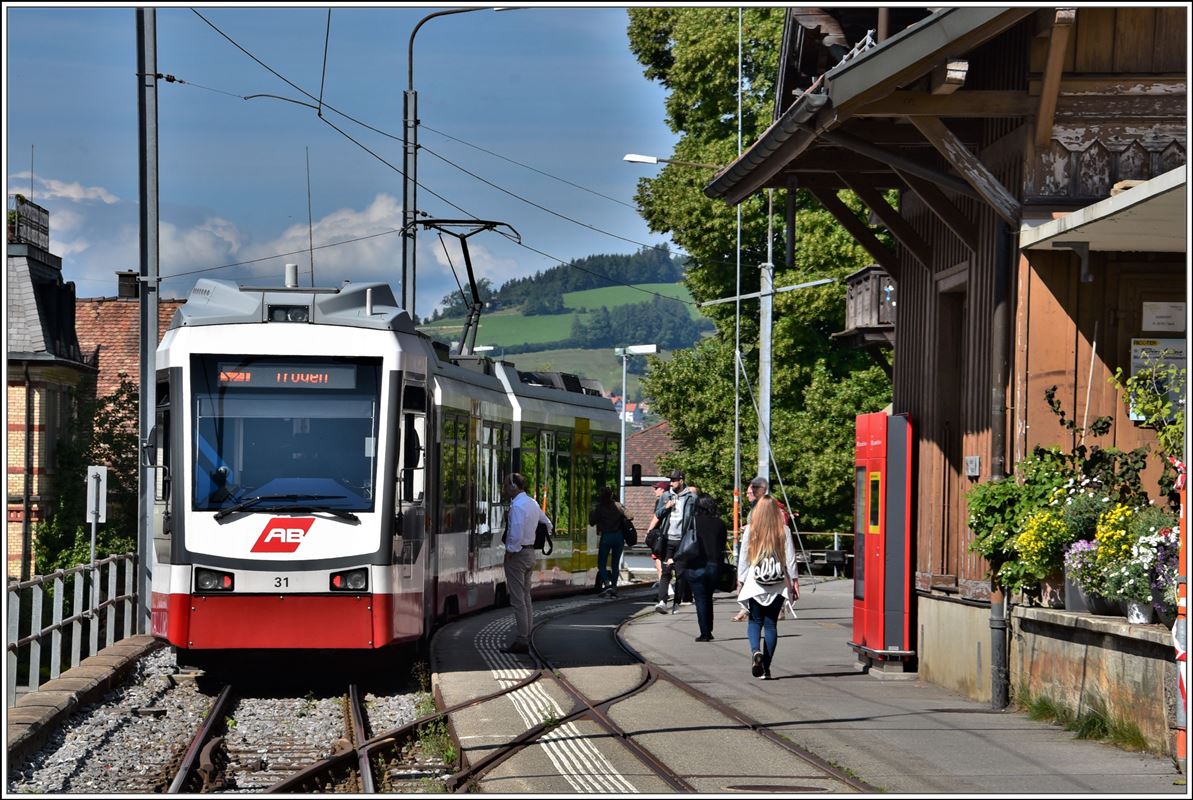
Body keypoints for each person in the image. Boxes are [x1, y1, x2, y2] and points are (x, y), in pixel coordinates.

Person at [736, 496, 800, 680]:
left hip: (755, 582)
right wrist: (794, 581)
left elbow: (744, 559)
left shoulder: (750, 530)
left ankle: (756, 651)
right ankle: (766, 668)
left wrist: (740, 581)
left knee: (755, 621)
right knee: (771, 624)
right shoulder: (784, 530)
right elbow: (790, 559)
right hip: (777, 583)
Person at [501, 472, 551, 654]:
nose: (505, 489)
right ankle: (527, 635)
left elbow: (515, 532)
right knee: (526, 596)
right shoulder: (532, 503)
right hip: (530, 553)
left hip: (519, 555)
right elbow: (548, 523)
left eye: (506, 485)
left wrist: (510, 552)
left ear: (514, 486)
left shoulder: (518, 506)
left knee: (517, 599)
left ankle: (522, 639)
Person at [682, 493, 728, 642]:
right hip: (714, 565)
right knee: (708, 597)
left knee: (700, 599)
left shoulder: (693, 521)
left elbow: (685, 540)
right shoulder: (720, 523)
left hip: (696, 565)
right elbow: (722, 545)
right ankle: (709, 629)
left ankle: (705, 633)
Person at [655, 470, 696, 615]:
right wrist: (666, 508)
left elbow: (694, 518)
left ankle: (676, 603)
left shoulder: (691, 497)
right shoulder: (666, 496)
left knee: (680, 573)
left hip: (682, 540)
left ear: (681, 480)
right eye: (670, 480)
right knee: (665, 572)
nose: (671, 483)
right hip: (667, 538)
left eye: (674, 480)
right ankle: (662, 601)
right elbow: (657, 514)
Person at [589, 486, 629, 597]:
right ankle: (614, 587)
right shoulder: (618, 505)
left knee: (602, 563)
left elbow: (592, 522)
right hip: (619, 536)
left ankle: (607, 584)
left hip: (606, 536)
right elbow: (630, 516)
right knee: (615, 564)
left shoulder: (600, 507)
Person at [645, 481, 669, 588]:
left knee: (658, 559)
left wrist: (649, 531)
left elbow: (657, 517)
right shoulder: (672, 499)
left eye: (657, 488)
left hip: (659, 535)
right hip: (670, 534)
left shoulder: (660, 501)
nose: (655, 490)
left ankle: (663, 586)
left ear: (663, 490)